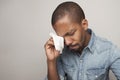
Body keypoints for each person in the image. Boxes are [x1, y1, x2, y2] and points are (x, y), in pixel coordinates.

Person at [44, 1, 120, 80]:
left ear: (84, 25)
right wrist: (51, 61)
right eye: (62, 37)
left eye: (71, 33)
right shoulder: (62, 51)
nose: (67, 42)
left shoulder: (109, 50)